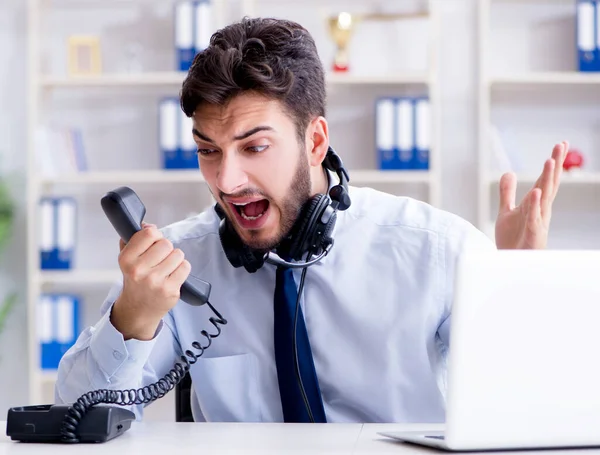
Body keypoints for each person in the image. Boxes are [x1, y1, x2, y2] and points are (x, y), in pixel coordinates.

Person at [55, 17, 567, 424]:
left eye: (254, 147)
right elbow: (74, 419)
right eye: (208, 150)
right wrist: (133, 318)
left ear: (316, 142)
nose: (227, 180)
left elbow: (522, 410)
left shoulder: (434, 248)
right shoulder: (177, 264)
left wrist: (518, 294)